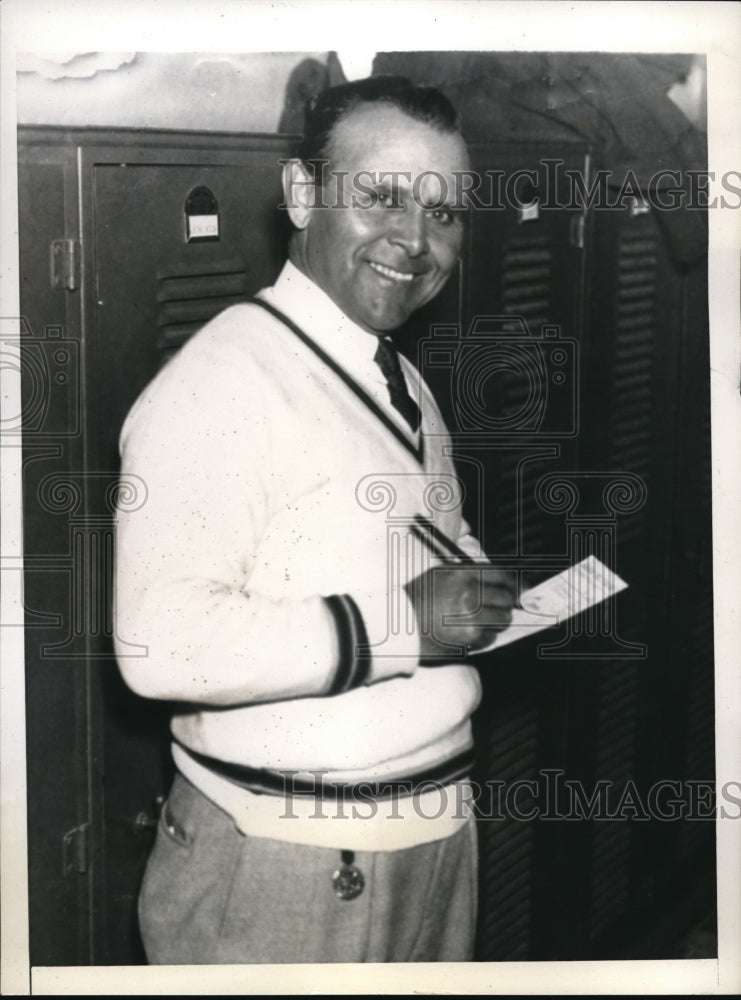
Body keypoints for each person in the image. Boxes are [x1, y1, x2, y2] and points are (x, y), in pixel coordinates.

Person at [114, 76, 516, 965]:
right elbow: (156, 643)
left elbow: (411, 548)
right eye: (380, 198)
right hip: (288, 864)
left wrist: (479, 591)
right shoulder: (220, 382)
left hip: (431, 838)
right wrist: (411, 622)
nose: (414, 241)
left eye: (444, 212)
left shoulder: (395, 376)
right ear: (302, 195)